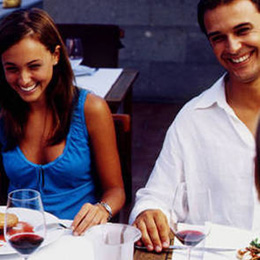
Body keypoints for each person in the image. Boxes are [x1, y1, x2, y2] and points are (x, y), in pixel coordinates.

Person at [129, 0, 260, 253]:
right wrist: (148, 213)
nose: (233, 47)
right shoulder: (192, 119)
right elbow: (156, 197)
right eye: (218, 37)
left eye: (243, 30)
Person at [0, 8, 125, 235]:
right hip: (19, 240)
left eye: (34, 66)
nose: (24, 79)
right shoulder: (3, 114)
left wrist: (102, 209)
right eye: (12, 69)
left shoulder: (91, 109)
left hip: (76, 236)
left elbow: (116, 191)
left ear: (56, 56)